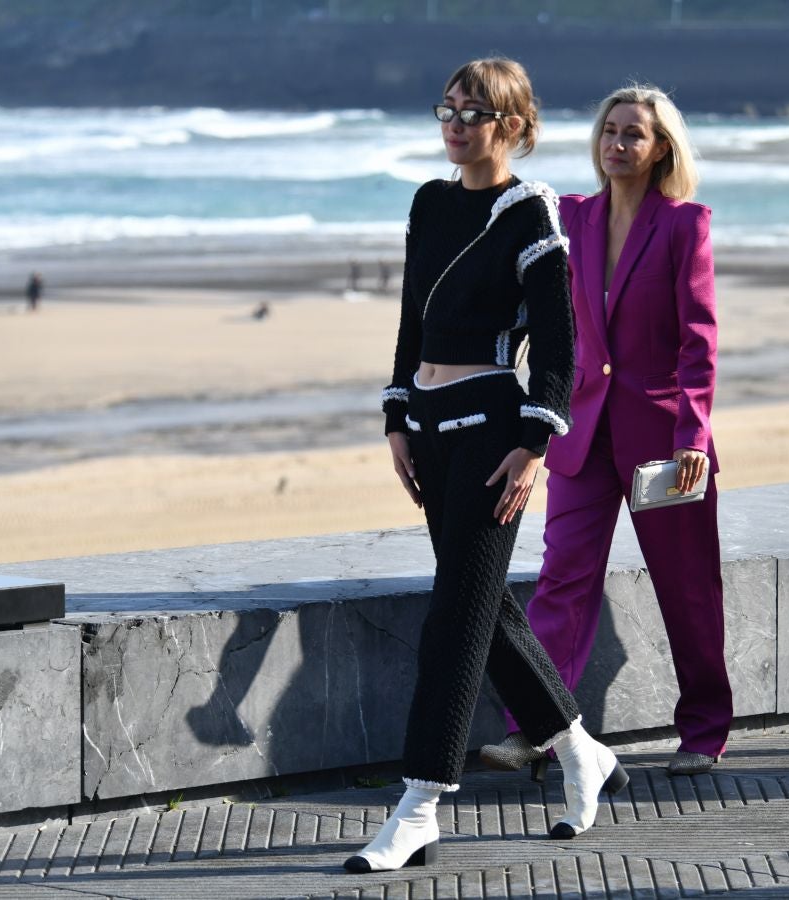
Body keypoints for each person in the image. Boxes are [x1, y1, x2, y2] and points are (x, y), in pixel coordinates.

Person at [343, 57, 628, 875]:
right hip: (429, 430)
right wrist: (396, 414)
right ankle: (578, 750)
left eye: (475, 112)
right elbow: (410, 319)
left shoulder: (530, 214)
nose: (456, 123)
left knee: (453, 620)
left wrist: (535, 443)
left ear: (514, 126)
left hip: (491, 434)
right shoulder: (430, 202)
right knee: (484, 609)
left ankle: (420, 803)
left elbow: (560, 346)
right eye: (449, 107)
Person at [480, 84, 733, 779]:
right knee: (562, 578)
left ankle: (705, 731)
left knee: (686, 585)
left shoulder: (686, 225)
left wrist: (692, 437)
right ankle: (537, 729)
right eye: (610, 132)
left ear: (660, 150)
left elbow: (698, 342)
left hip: (664, 439)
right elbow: (543, 317)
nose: (618, 144)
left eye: (634, 135)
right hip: (581, 433)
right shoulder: (570, 218)